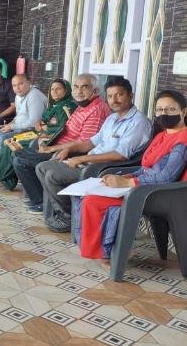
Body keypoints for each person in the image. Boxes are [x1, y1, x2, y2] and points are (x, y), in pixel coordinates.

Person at [72, 90, 187, 259]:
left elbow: (166, 177)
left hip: (159, 194)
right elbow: (146, 167)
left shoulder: (182, 141)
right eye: (159, 109)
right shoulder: (162, 135)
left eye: (170, 109)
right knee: (83, 194)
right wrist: (125, 177)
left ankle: (108, 252)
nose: (164, 113)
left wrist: (128, 183)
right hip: (145, 187)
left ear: (183, 111)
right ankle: (100, 250)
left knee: (93, 201)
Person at [36, 76, 152, 232]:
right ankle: (66, 212)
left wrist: (81, 158)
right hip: (90, 162)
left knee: (53, 175)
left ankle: (68, 216)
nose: (114, 100)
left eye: (119, 95)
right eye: (110, 96)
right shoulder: (112, 118)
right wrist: (70, 149)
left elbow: (120, 155)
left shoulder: (138, 122)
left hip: (105, 168)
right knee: (42, 167)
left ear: (130, 96)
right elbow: (91, 142)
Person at [12, 73, 112, 214]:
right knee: (18, 152)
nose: (79, 91)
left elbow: (84, 143)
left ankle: (40, 201)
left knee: (20, 159)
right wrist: (47, 138)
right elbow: (63, 129)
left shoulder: (96, 110)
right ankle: (39, 198)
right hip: (59, 146)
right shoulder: (83, 105)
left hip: (70, 152)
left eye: (84, 87)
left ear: (95, 90)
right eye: (76, 87)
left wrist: (52, 148)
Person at [0, 79, 77, 190]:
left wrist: (44, 127)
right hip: (38, 133)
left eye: (58, 89)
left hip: (48, 139)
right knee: (9, 141)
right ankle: (7, 181)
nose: (54, 92)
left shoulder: (66, 107)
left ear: (66, 91)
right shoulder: (54, 105)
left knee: (12, 145)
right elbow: (45, 120)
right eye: (52, 89)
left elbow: (63, 128)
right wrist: (39, 123)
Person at [0, 74, 48, 155]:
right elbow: (19, 115)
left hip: (32, 131)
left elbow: (34, 123)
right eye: (14, 85)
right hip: (19, 128)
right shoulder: (18, 95)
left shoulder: (34, 96)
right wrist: (9, 124)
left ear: (29, 83)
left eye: (20, 84)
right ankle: (9, 158)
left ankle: (13, 158)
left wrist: (12, 127)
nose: (17, 88)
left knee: (3, 138)